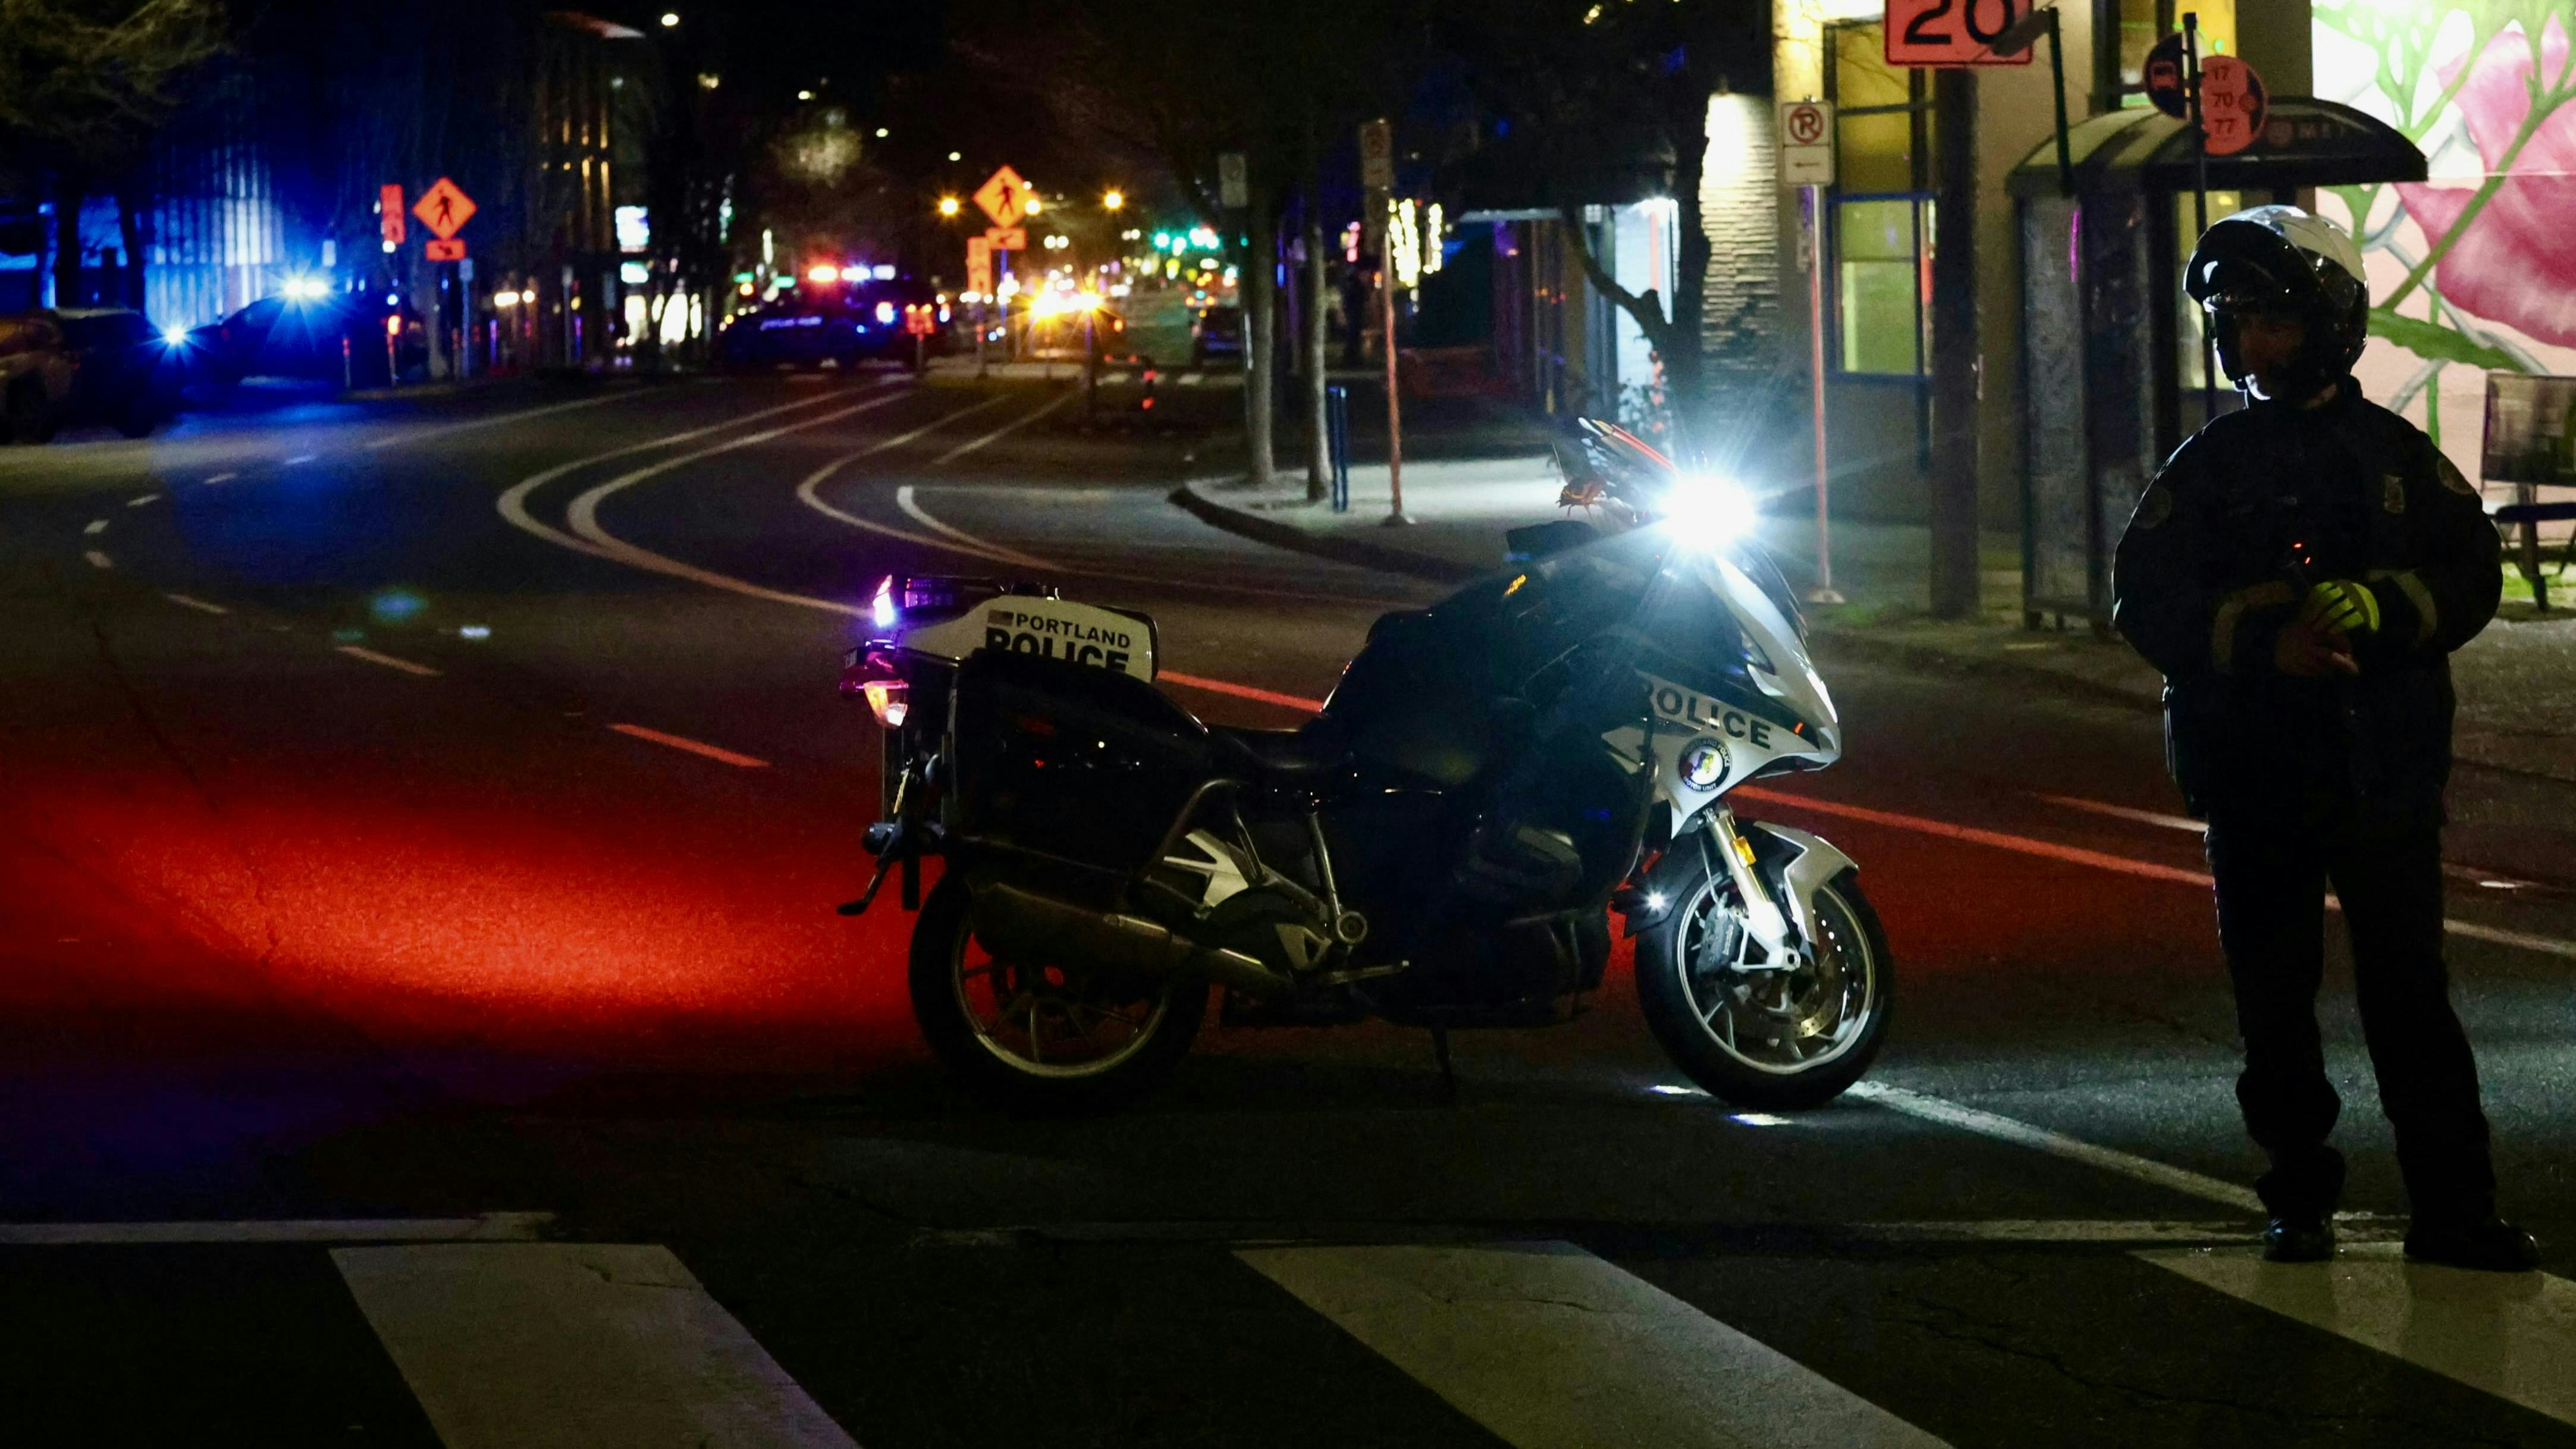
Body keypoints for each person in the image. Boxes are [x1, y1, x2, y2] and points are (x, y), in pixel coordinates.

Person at [2111, 206, 2536, 1271]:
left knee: (2412, 1000)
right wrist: (2263, 645)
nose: (2254, 344)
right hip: (2253, 778)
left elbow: (2471, 573)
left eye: (2275, 320)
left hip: (2381, 772)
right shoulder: (2205, 467)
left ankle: (2455, 1211)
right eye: (2237, 321)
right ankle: (2296, 1197)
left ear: (2332, 322)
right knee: (2275, 1003)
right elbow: (2141, 596)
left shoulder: (2395, 457)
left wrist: (2383, 609)